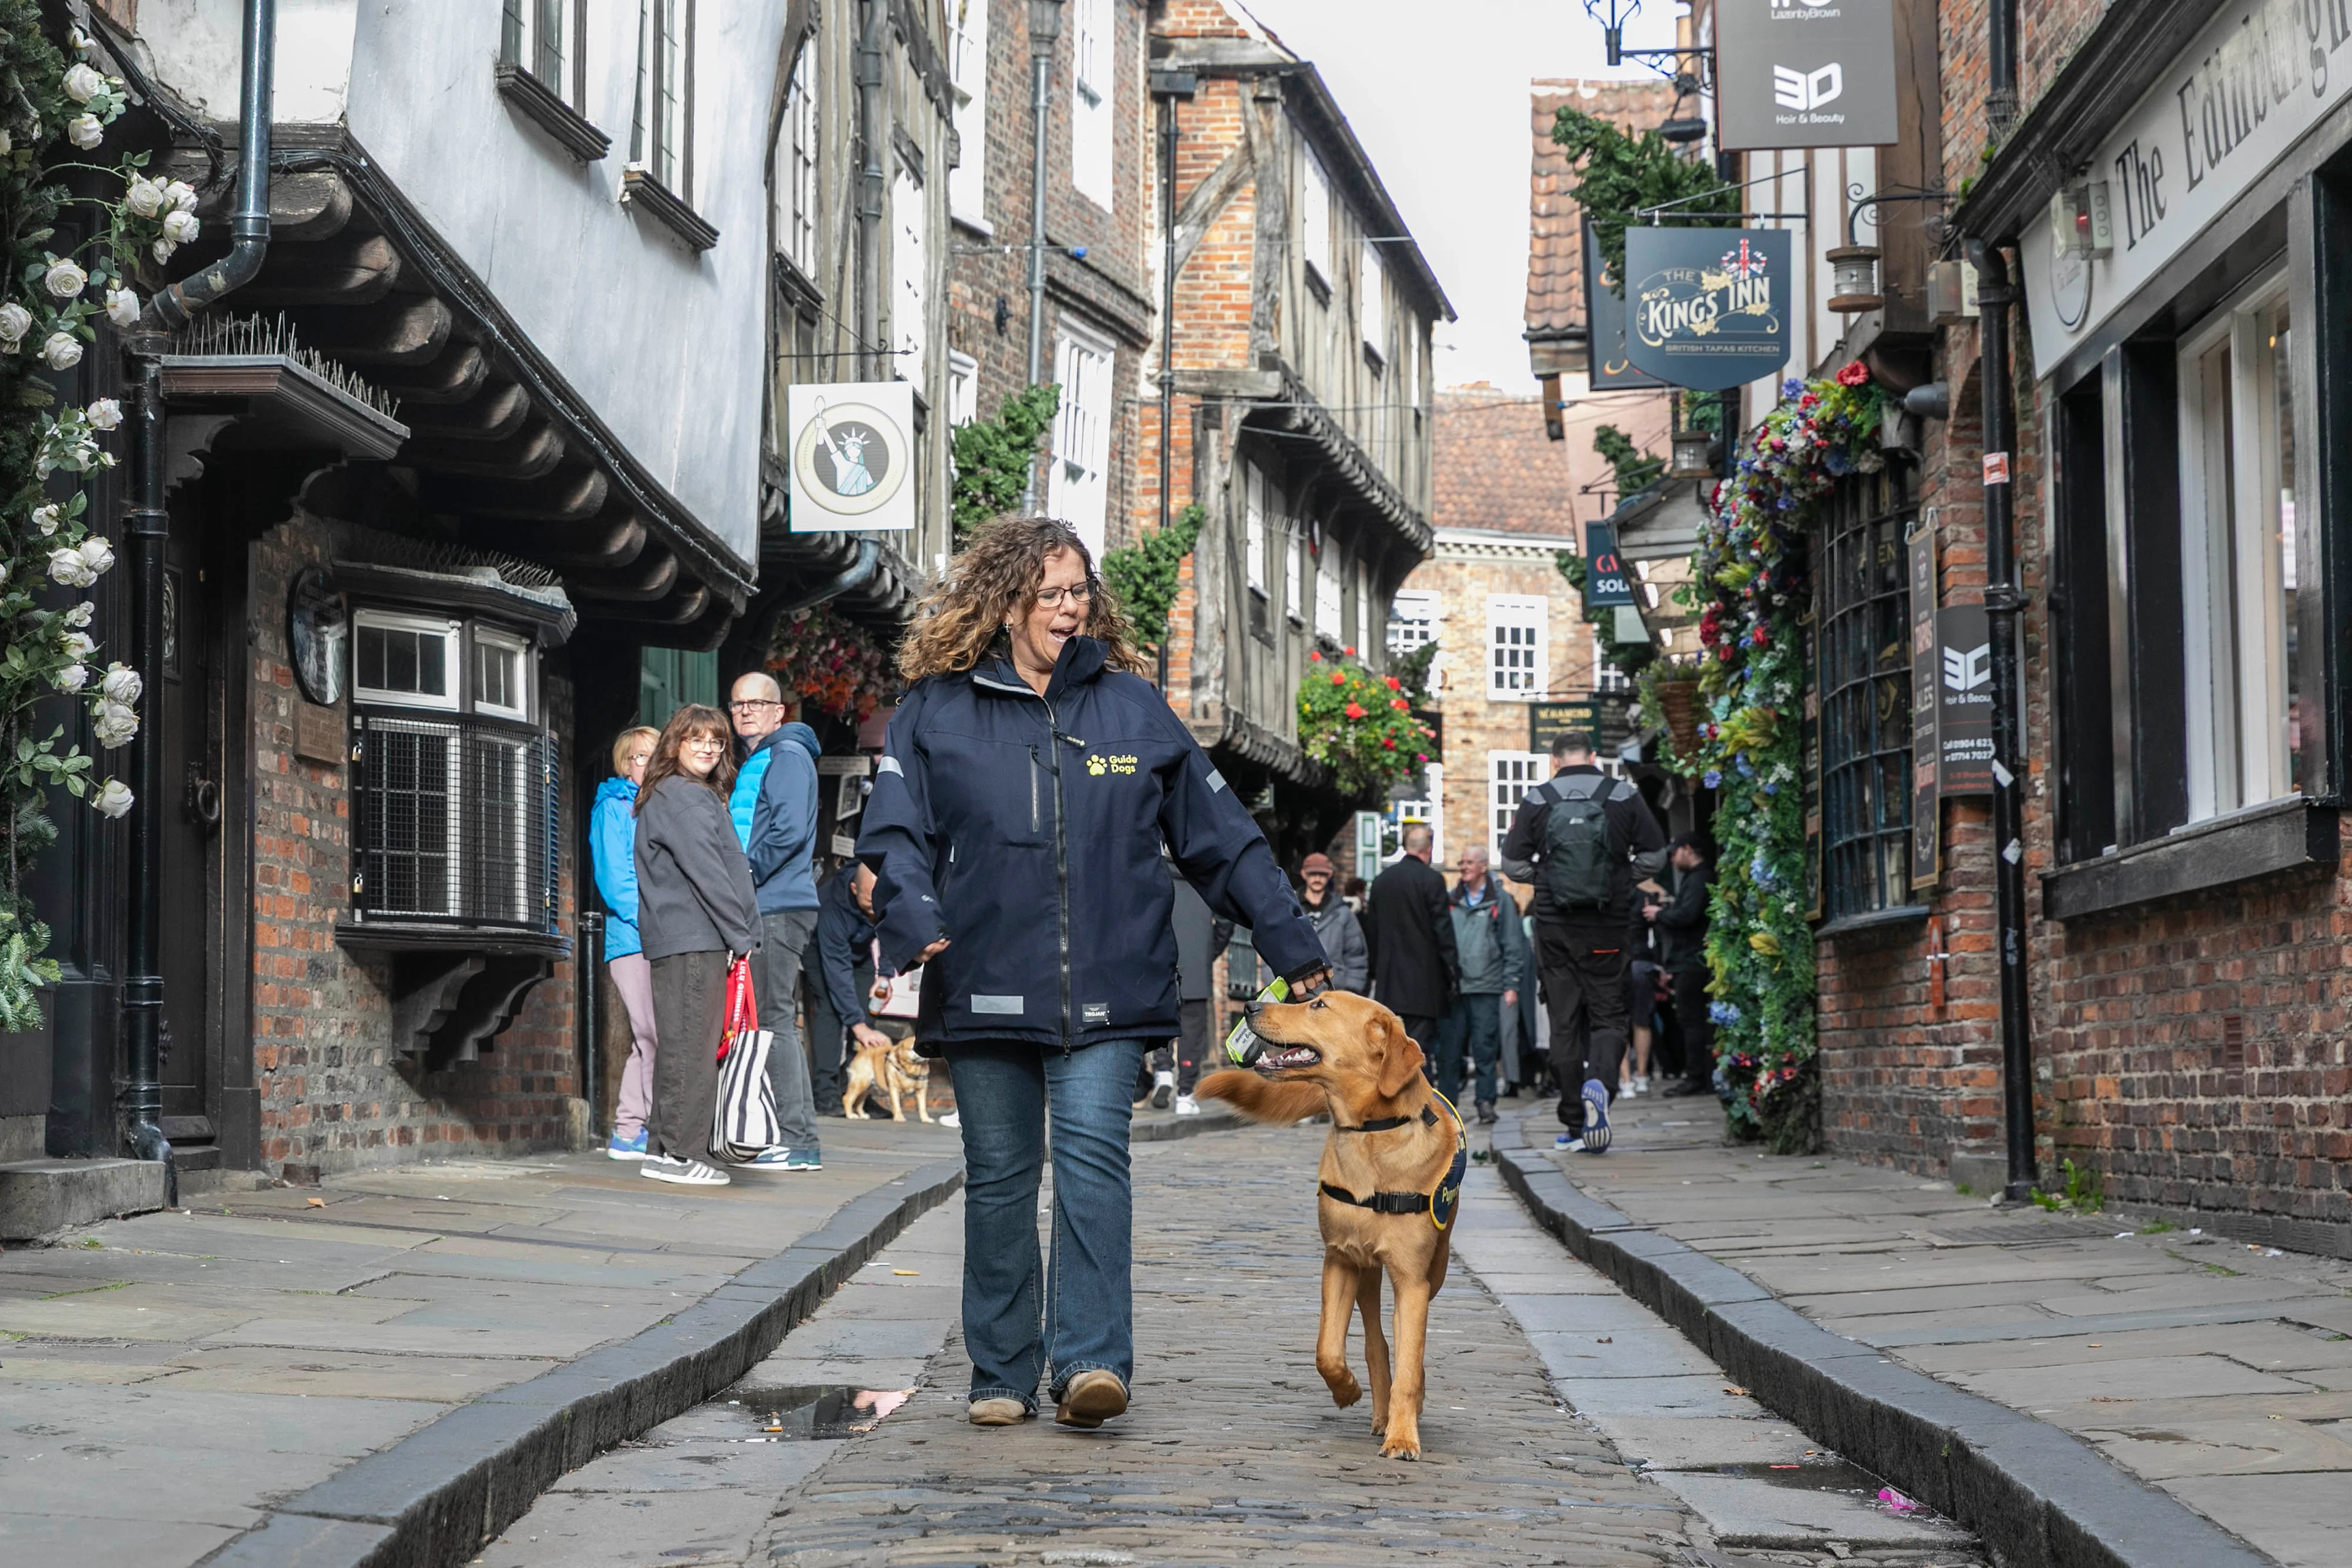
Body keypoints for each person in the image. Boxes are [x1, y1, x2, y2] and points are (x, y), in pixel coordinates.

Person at [860, 515, 1327, 1434]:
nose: (1069, 609)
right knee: (999, 1175)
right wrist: (913, 918)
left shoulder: (1131, 710)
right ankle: (999, 1370)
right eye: (1050, 594)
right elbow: (893, 836)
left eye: (1078, 592)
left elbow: (1220, 841)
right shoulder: (935, 711)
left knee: (1091, 1163)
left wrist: (1295, 949)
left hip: (1110, 985)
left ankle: (1089, 1365)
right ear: (1005, 604)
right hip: (985, 975)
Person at [1500, 731, 1664, 1154]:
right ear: (1594, 757)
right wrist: (1619, 877)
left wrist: (1547, 879)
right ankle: (1602, 1085)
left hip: (1555, 929)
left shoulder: (1538, 799)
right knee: (1610, 1017)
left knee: (1564, 1023)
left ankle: (1574, 1124)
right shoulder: (1623, 795)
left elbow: (1514, 864)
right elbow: (1655, 856)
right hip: (1608, 926)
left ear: (1554, 761)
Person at [633, 705, 761, 1188]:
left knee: (682, 1045)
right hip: (694, 938)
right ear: (676, 745)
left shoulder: (684, 794)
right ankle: (682, 1153)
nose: (708, 748)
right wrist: (741, 935)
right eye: (696, 740)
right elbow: (709, 872)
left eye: (716, 741)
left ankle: (664, 1149)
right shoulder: (684, 797)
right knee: (691, 1046)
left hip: (690, 937)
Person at [729, 671, 825, 1171]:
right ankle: (786, 1136)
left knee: (772, 1022)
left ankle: (797, 1141)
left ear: (778, 711)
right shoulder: (763, 758)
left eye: (756, 703)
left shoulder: (786, 757)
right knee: (768, 1021)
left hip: (777, 905)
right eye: (738, 704)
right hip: (768, 903)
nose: (746, 711)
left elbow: (786, 830)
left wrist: (742, 873)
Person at [593, 726, 662, 1159]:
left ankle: (629, 1130)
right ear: (625, 763)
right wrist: (652, 922)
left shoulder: (658, 805)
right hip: (633, 937)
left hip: (660, 935)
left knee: (650, 1037)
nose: (648, 763)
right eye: (640, 757)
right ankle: (646, 1129)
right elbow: (615, 882)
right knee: (651, 1033)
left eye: (656, 756)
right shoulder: (613, 808)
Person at [1441, 846, 1527, 1124]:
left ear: (1483, 866)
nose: (1463, 867)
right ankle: (1447, 1107)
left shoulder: (1499, 901)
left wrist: (1511, 985)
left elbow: (1513, 946)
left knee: (1485, 1049)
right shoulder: (1450, 901)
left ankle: (1486, 1103)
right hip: (1455, 989)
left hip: (1487, 987)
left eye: (1469, 863)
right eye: (1462, 862)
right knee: (1449, 1052)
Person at [1362, 824, 1458, 1061]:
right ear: (1430, 848)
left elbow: (1371, 934)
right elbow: (1443, 933)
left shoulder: (1382, 881)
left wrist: (1374, 972)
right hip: (1424, 986)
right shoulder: (1432, 880)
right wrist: (1453, 974)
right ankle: (1419, 1100)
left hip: (1388, 985)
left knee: (1391, 1055)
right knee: (1418, 1055)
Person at [808, 861, 884, 1115]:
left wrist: (884, 975)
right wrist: (855, 1023)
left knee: (867, 1014)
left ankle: (855, 1092)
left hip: (860, 951)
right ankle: (826, 1095)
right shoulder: (831, 905)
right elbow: (837, 972)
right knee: (832, 1009)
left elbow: (895, 931)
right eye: (869, 902)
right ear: (854, 888)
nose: (876, 908)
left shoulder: (887, 891)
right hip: (822, 951)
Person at [1157, 867, 1231, 1115]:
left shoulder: (1156, 873)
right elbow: (1224, 922)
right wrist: (1206, 953)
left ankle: (1163, 1071)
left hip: (1162, 967)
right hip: (1197, 969)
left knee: (1161, 1024)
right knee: (1192, 1034)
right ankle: (1185, 1095)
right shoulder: (1206, 877)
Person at [1653, 834, 1717, 1098]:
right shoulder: (1696, 879)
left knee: (1692, 1021)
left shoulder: (1700, 879)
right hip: (1688, 960)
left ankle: (1697, 1078)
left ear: (1688, 850)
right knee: (1692, 1021)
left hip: (1693, 961)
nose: (1671, 858)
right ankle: (1700, 1076)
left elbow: (1688, 916)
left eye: (1674, 852)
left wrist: (1660, 915)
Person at [1298, 853, 1368, 993]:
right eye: (1313, 874)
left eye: (1322, 874)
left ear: (1329, 875)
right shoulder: (1289, 910)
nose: (1317, 878)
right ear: (1304, 874)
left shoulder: (1343, 913)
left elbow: (1356, 955)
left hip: (1334, 993)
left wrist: (1351, 991)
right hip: (1295, 992)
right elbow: (1274, 946)